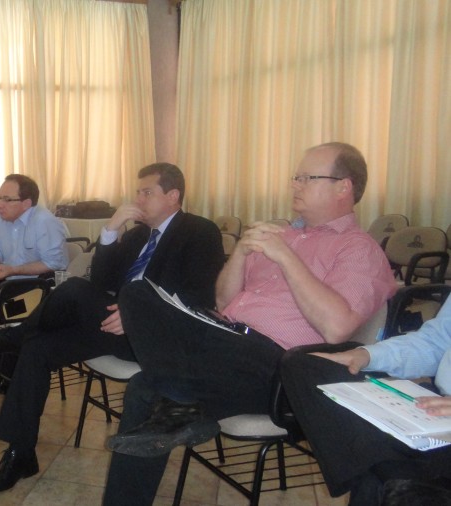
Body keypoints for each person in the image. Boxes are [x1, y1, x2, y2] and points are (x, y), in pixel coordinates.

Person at [103, 142, 398, 505]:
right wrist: (241, 254)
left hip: (278, 370)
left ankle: (185, 401)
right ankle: (182, 403)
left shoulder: (359, 249)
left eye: (308, 178)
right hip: (226, 346)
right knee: (138, 306)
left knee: (148, 378)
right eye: (296, 177)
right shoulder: (281, 234)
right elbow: (222, 303)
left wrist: (286, 258)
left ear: (344, 187)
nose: (295, 184)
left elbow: (337, 328)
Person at [0, 163, 225, 493]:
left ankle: (13, 334)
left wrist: (138, 313)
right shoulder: (138, 235)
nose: (138, 199)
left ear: (173, 196)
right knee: (37, 348)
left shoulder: (200, 232)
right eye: (137, 192)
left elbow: (198, 297)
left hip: (156, 337)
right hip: (113, 326)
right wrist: (111, 230)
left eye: (147, 192)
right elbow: (102, 281)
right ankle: (19, 454)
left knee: (72, 288)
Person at [281, 297, 451, 505]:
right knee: (305, 366)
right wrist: (367, 356)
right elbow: (437, 341)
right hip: (439, 409)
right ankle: (398, 477)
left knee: (374, 478)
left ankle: (397, 478)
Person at [0, 174, 68, 387]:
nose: (0, 204)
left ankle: (10, 371)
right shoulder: (0, 217)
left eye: (7, 199)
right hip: (7, 281)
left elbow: (54, 264)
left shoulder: (45, 222)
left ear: (26, 203)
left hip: (36, 287)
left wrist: (14, 270)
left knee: (4, 311)